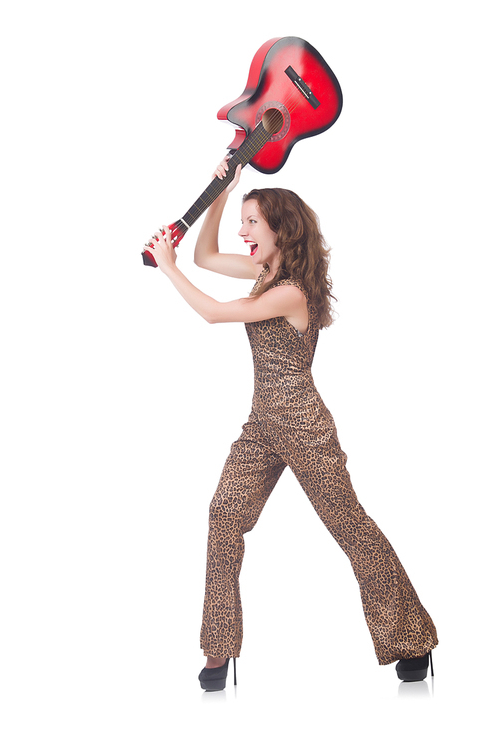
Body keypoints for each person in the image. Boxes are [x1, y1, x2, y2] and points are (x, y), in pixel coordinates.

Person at [144, 158, 438, 691]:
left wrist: (168, 267)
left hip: (304, 426)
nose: (241, 231)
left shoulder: (293, 289)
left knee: (351, 528)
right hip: (263, 424)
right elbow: (206, 254)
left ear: (281, 229)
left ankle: (411, 638)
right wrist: (222, 192)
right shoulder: (266, 273)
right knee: (224, 515)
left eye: (251, 222)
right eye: (242, 220)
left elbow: (213, 312)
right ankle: (218, 649)